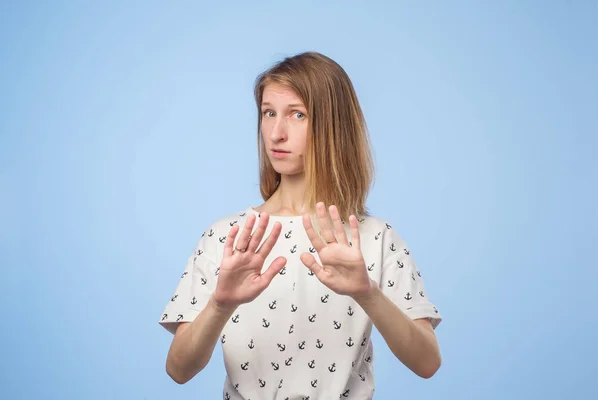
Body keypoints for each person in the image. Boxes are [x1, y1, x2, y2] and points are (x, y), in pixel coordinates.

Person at [158, 51, 443, 400]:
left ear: (333, 125)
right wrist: (220, 305)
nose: (276, 133)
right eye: (268, 113)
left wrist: (367, 293)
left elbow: (427, 363)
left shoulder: (374, 238)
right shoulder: (227, 238)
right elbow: (178, 370)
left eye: (297, 114)